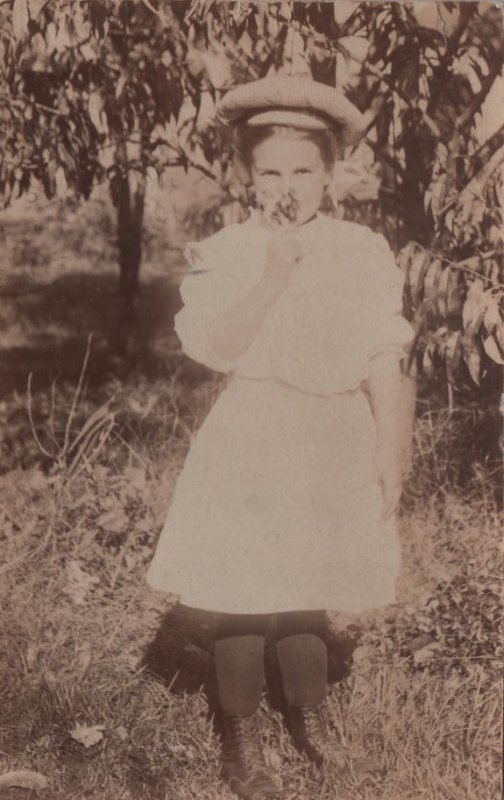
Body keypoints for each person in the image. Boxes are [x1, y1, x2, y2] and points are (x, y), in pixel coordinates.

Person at [147, 74, 414, 800]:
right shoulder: (230, 250)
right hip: (257, 429)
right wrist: (271, 273)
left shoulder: (360, 249)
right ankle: (239, 732)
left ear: (331, 174)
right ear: (245, 175)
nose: (286, 184)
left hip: (333, 430)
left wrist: (389, 448)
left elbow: (380, 355)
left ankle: (309, 713)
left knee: (310, 578)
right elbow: (220, 345)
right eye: (269, 170)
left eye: (303, 169)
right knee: (243, 582)